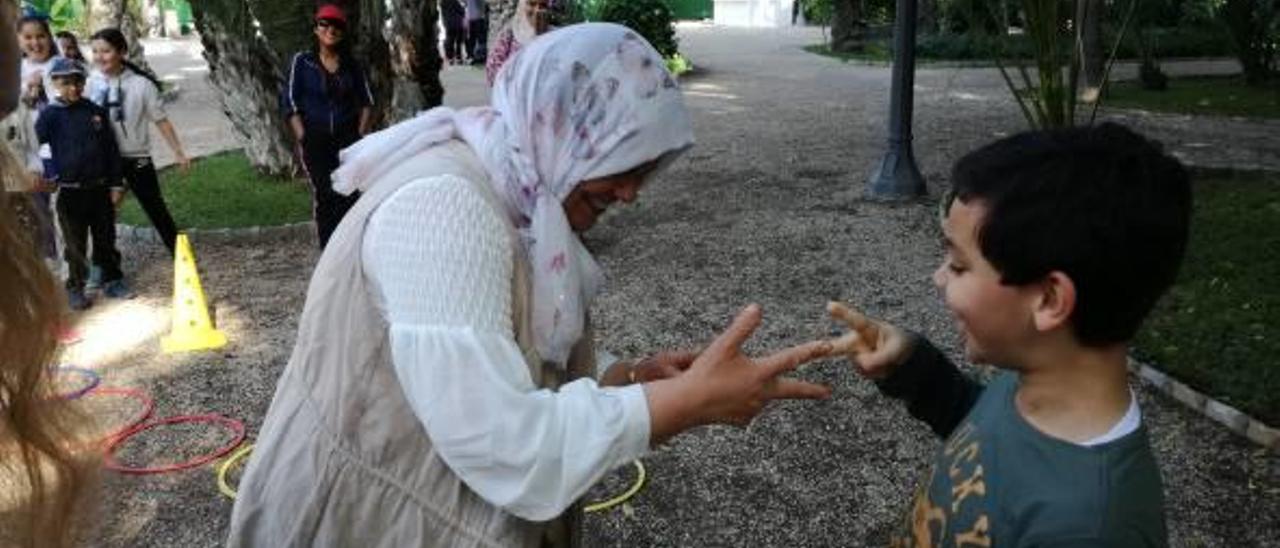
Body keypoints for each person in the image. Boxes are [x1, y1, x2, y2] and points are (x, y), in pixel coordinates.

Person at [228, 24, 833, 546]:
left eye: (646, 168)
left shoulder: (519, 193)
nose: (630, 193)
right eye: (622, 159)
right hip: (351, 518)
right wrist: (680, 406)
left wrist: (622, 378)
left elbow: (496, 348)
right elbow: (501, 442)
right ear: (562, 125)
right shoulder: (445, 209)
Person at [826, 123, 1189, 546]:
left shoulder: (1089, 528)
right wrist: (913, 365)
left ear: (1050, 300)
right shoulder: (1033, 377)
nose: (938, 277)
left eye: (959, 266)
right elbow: (987, 432)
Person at [0, 3, 98, 545]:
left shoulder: (41, 93)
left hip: (29, 186)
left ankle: (58, 295)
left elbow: (37, 142)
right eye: (17, 32)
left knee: (44, 243)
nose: (26, 47)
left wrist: (43, 171)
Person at [36, 58, 131, 310]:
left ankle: (113, 280)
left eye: (78, 81)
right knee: (74, 243)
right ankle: (75, 286)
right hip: (70, 192)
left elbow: (111, 150)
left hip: (99, 190)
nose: (73, 87)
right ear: (55, 83)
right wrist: (47, 175)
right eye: (66, 82)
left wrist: (116, 184)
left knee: (105, 238)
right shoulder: (49, 116)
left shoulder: (94, 112)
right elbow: (38, 149)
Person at [88, 27, 189, 255]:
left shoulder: (142, 85)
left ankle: (180, 255)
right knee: (103, 212)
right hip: (103, 161)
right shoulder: (90, 83)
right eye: (95, 51)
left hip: (136, 158)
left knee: (155, 207)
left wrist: (178, 152)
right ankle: (106, 264)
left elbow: (161, 120)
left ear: (122, 52)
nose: (99, 57)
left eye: (106, 51)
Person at [284, 3, 374, 248]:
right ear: (316, 28)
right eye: (324, 24)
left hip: (347, 139)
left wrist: (360, 133)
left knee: (348, 192)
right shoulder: (302, 62)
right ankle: (329, 250)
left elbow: (367, 102)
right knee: (325, 194)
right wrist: (303, 135)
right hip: (315, 139)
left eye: (336, 26)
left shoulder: (351, 65)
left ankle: (349, 248)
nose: (330, 30)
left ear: (342, 33)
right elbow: (290, 102)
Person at [14, 8, 62, 266]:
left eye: (41, 36)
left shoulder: (60, 64)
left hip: (60, 146)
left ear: (49, 37)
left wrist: (44, 87)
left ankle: (78, 265)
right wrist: (27, 91)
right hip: (30, 151)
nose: (35, 43)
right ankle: (49, 258)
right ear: (19, 40)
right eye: (28, 37)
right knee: (37, 206)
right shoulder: (14, 70)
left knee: (67, 204)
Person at [485, 0, 553, 86]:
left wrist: (542, 37)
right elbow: (492, 74)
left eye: (543, 6)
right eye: (532, 4)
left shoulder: (557, 37)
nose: (537, 10)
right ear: (522, 5)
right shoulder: (510, 35)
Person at [441, 0, 466, 64]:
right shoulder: (455, 1)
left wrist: (444, 22)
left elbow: (442, 13)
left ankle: (450, 58)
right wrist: (463, 7)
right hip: (457, 23)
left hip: (448, 24)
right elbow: (461, 11)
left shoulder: (442, 2)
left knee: (450, 40)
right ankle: (458, 58)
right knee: (458, 41)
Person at [464, 0, 488, 65]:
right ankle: (477, 56)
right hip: (476, 18)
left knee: (475, 39)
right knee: (477, 39)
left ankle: (476, 56)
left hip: (475, 18)